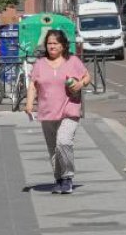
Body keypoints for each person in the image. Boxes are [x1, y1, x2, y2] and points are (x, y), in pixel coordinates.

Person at [23, 30, 90, 194]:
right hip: (47, 111)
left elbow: (87, 76)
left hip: (70, 109)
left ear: (63, 45)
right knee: (53, 148)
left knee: (64, 142)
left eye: (55, 43)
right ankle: (59, 178)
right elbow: (33, 85)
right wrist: (29, 104)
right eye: (49, 43)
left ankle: (68, 177)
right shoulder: (40, 64)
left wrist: (80, 84)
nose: (51, 46)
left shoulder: (72, 61)